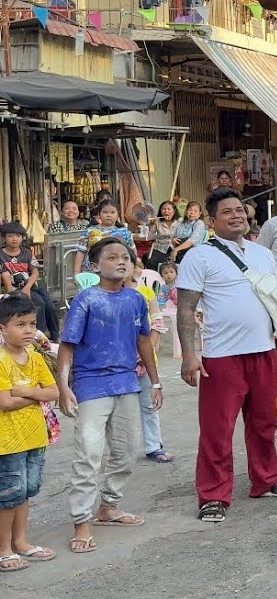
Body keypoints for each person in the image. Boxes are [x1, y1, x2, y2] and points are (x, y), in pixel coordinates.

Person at [177, 187, 277, 524]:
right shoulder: (199, 256)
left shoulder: (262, 254)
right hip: (221, 356)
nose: (235, 216)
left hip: (264, 351)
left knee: (263, 423)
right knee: (217, 430)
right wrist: (190, 355)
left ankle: (266, 480)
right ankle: (213, 495)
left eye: (239, 210)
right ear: (212, 220)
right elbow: (186, 309)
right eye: (227, 212)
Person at [57, 237, 160, 553]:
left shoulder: (136, 300)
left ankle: (109, 506)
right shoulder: (85, 300)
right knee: (88, 453)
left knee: (126, 451)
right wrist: (63, 387)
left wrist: (155, 383)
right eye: (112, 257)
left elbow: (144, 342)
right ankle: (81, 522)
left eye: (126, 258)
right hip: (91, 384)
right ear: (94, 266)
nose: (121, 262)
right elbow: (67, 345)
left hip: (127, 382)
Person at [0, 293, 59, 572]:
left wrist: (25, 391)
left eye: (31, 324)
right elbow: (5, 402)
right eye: (19, 324)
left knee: (26, 491)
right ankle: (4, 549)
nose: (27, 330)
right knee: (9, 493)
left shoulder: (35, 357)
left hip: (35, 436)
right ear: (2, 328)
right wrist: (37, 395)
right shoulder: (0, 360)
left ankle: (21, 541)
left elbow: (54, 391)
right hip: (7, 440)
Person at [123, 261, 172, 464]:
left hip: (144, 361)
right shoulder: (106, 294)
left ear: (136, 267)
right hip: (118, 361)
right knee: (120, 408)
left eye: (127, 261)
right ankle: (121, 451)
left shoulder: (145, 292)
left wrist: (146, 351)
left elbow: (157, 323)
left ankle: (153, 446)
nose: (122, 265)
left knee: (149, 404)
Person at [0, 223, 58, 340]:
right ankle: (38, 335)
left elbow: (35, 272)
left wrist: (27, 287)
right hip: (15, 288)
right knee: (38, 304)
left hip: (32, 285)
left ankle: (55, 335)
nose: (14, 239)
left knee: (50, 306)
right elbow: (5, 275)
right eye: (10, 236)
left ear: (22, 238)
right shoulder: (1, 254)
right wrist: (13, 293)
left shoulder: (27, 252)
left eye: (18, 236)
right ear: (4, 238)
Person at [72, 201, 135, 274]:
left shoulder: (125, 232)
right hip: (91, 273)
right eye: (105, 212)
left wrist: (132, 270)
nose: (109, 215)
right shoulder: (89, 231)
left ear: (118, 215)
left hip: (117, 273)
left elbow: (132, 252)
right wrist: (76, 273)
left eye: (112, 212)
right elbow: (80, 252)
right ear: (98, 215)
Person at [144, 201, 180, 270]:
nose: (166, 211)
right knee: (149, 260)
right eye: (164, 209)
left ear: (174, 211)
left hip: (176, 249)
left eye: (169, 209)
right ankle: (156, 279)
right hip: (160, 249)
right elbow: (150, 236)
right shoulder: (157, 221)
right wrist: (151, 224)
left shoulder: (179, 222)